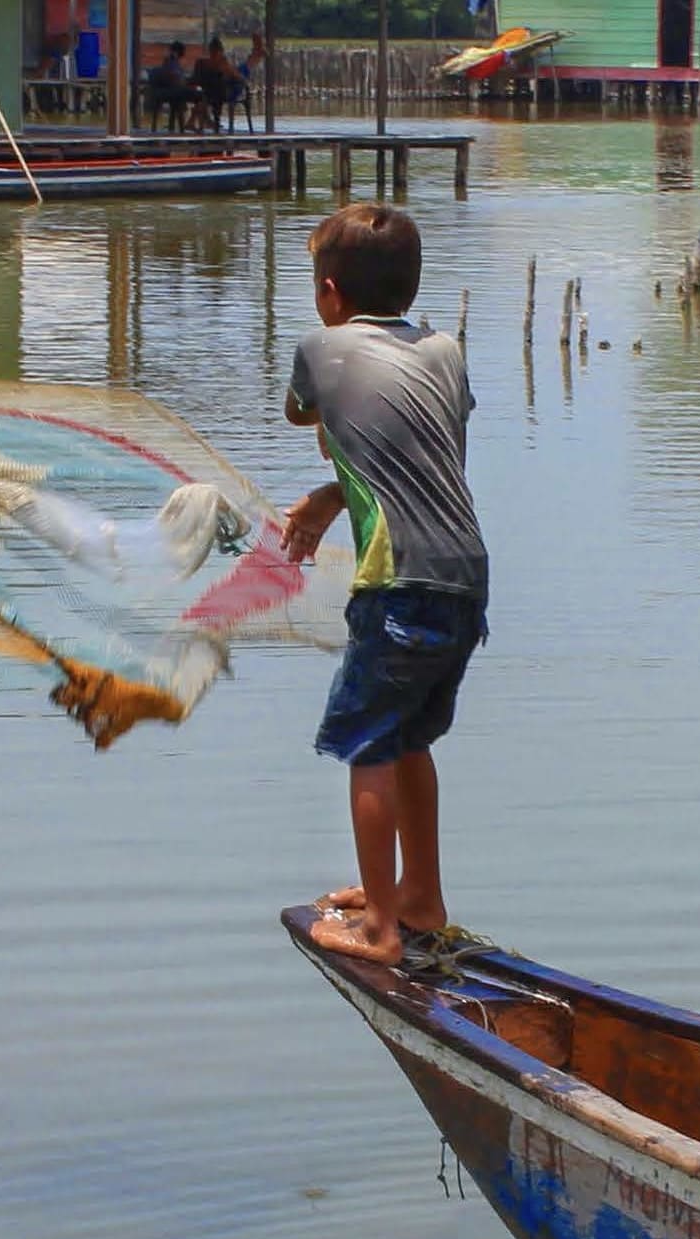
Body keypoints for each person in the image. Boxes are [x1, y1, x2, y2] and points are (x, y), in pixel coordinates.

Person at [279, 204, 486, 966]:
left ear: (329, 293)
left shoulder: (321, 348)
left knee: (368, 743)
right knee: (410, 739)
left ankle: (381, 931)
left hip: (394, 580)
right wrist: (335, 496)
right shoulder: (445, 349)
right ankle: (416, 895)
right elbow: (422, 450)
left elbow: (303, 413)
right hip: (465, 573)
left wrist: (328, 478)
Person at [191, 37, 239, 133]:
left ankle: (202, 123)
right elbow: (234, 75)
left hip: (207, 92)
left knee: (204, 99)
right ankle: (211, 122)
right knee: (219, 93)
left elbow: (196, 79)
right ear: (220, 50)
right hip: (217, 93)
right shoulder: (221, 62)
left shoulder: (203, 62)